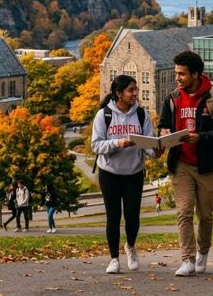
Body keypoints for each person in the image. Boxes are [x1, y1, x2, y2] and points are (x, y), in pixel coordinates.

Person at [158, 51, 213, 277]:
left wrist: (201, 137)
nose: (177, 78)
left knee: (205, 215)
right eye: (176, 73)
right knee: (184, 212)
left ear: (196, 74)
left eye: (182, 74)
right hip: (181, 163)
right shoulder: (172, 98)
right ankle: (187, 259)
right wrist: (164, 132)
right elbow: (163, 124)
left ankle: (203, 252)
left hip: (207, 165)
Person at [92, 74, 159, 274]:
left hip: (134, 173)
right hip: (110, 174)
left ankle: (130, 246)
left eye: (136, 89)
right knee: (113, 216)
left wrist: (156, 150)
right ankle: (114, 258)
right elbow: (95, 145)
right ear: (118, 94)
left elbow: (149, 144)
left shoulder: (141, 114)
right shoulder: (104, 115)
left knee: (132, 216)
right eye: (131, 90)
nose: (135, 94)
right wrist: (117, 143)